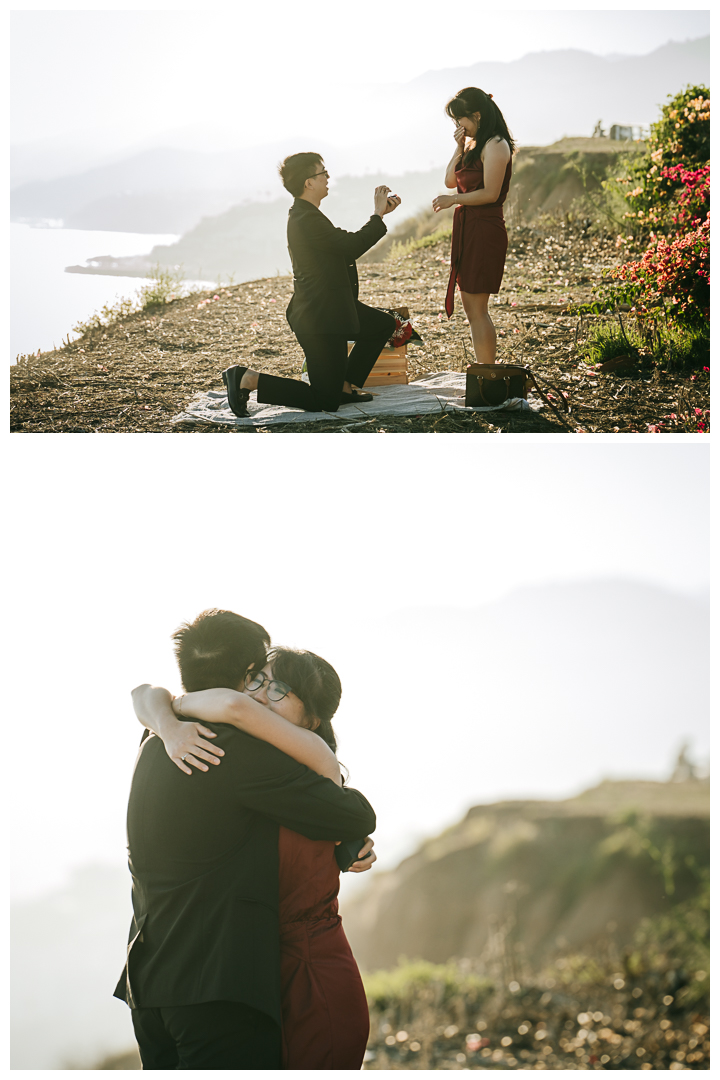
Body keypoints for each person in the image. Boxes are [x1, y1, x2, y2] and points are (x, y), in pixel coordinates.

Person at [114, 609, 376, 1070]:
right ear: (246, 675)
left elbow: (148, 694)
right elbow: (354, 812)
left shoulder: (157, 737)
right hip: (213, 988)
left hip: (149, 981)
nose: (261, 693)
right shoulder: (230, 749)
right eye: (260, 679)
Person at [222, 152, 401, 415]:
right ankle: (248, 379)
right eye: (322, 173)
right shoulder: (305, 219)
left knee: (382, 324)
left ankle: (343, 386)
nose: (328, 177)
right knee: (324, 402)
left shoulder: (308, 215)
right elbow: (350, 246)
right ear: (309, 182)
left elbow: (342, 247)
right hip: (319, 318)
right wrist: (377, 214)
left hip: (335, 309)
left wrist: (379, 216)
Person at [432, 87, 516, 365]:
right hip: (469, 227)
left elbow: (490, 193)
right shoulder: (472, 144)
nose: (458, 127)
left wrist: (454, 199)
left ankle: (487, 371)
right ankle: (484, 369)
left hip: (485, 228)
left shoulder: (496, 145)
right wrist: (458, 146)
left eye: (461, 120)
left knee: (477, 308)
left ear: (477, 115)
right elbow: (449, 179)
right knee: (471, 306)